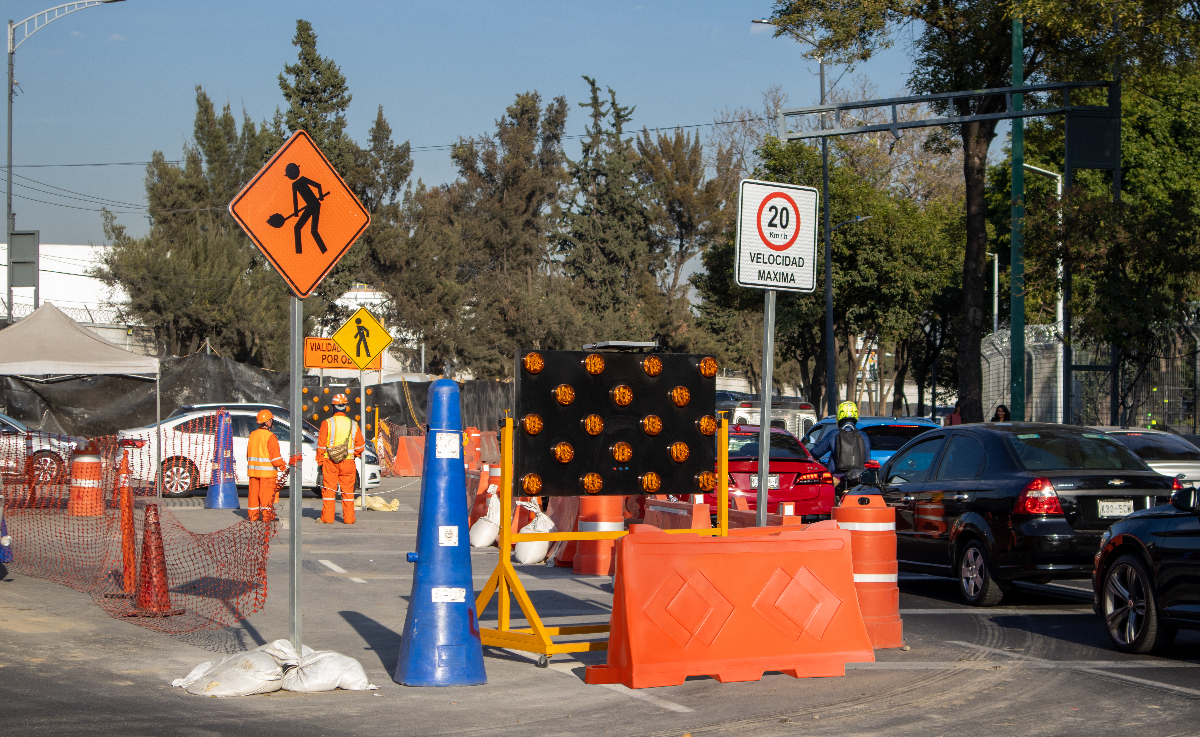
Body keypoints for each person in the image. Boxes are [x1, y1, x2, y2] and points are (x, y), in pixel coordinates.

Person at [317, 393, 364, 525]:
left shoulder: (327, 423)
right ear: (345, 407)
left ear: (333, 407)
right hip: (348, 462)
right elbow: (361, 445)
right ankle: (349, 519)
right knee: (348, 492)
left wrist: (320, 462)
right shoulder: (353, 424)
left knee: (329, 490)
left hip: (330, 462)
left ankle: (327, 518)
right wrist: (353, 454)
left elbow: (321, 446)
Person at [810, 401, 872, 492]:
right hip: (857, 480)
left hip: (837, 479)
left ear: (839, 416)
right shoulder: (863, 435)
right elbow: (866, 459)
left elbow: (815, 453)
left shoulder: (834, 434)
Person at [246, 410, 287, 522]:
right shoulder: (270, 436)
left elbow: (248, 454)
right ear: (268, 422)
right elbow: (275, 458)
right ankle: (267, 516)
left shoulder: (252, 435)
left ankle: (253, 516)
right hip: (267, 474)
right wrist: (283, 466)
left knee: (253, 496)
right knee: (267, 496)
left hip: (253, 473)